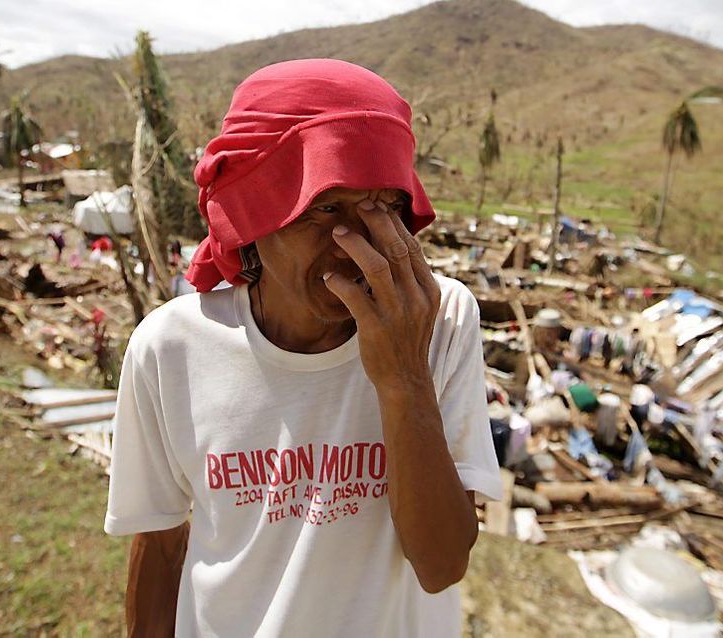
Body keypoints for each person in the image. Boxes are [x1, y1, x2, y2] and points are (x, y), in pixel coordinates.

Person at [104, 59, 502, 637]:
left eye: (386, 207)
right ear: (253, 212)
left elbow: (441, 565)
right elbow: (161, 549)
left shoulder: (439, 320)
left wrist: (402, 376)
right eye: (325, 207)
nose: (360, 242)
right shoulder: (170, 349)